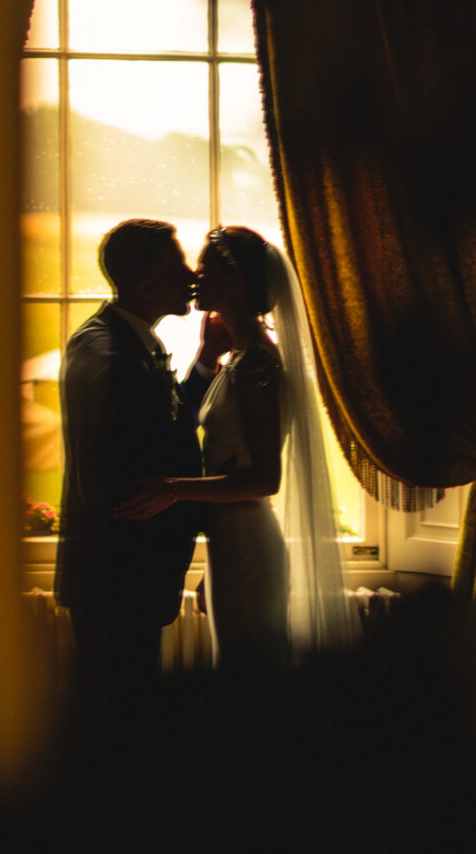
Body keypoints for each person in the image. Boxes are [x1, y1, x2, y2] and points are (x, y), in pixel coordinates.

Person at [114, 226, 357, 667]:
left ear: (237, 282)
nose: (193, 277)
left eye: (204, 269)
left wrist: (172, 488)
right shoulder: (239, 359)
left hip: (246, 543)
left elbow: (264, 478)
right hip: (230, 541)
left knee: (249, 680)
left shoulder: (258, 365)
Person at [54, 218, 222, 712]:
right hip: (117, 582)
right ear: (148, 284)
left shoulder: (130, 345)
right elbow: (107, 478)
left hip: (129, 582)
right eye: (180, 266)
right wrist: (199, 504)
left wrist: (208, 360)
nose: (193, 275)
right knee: (116, 719)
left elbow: (166, 426)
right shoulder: (107, 356)